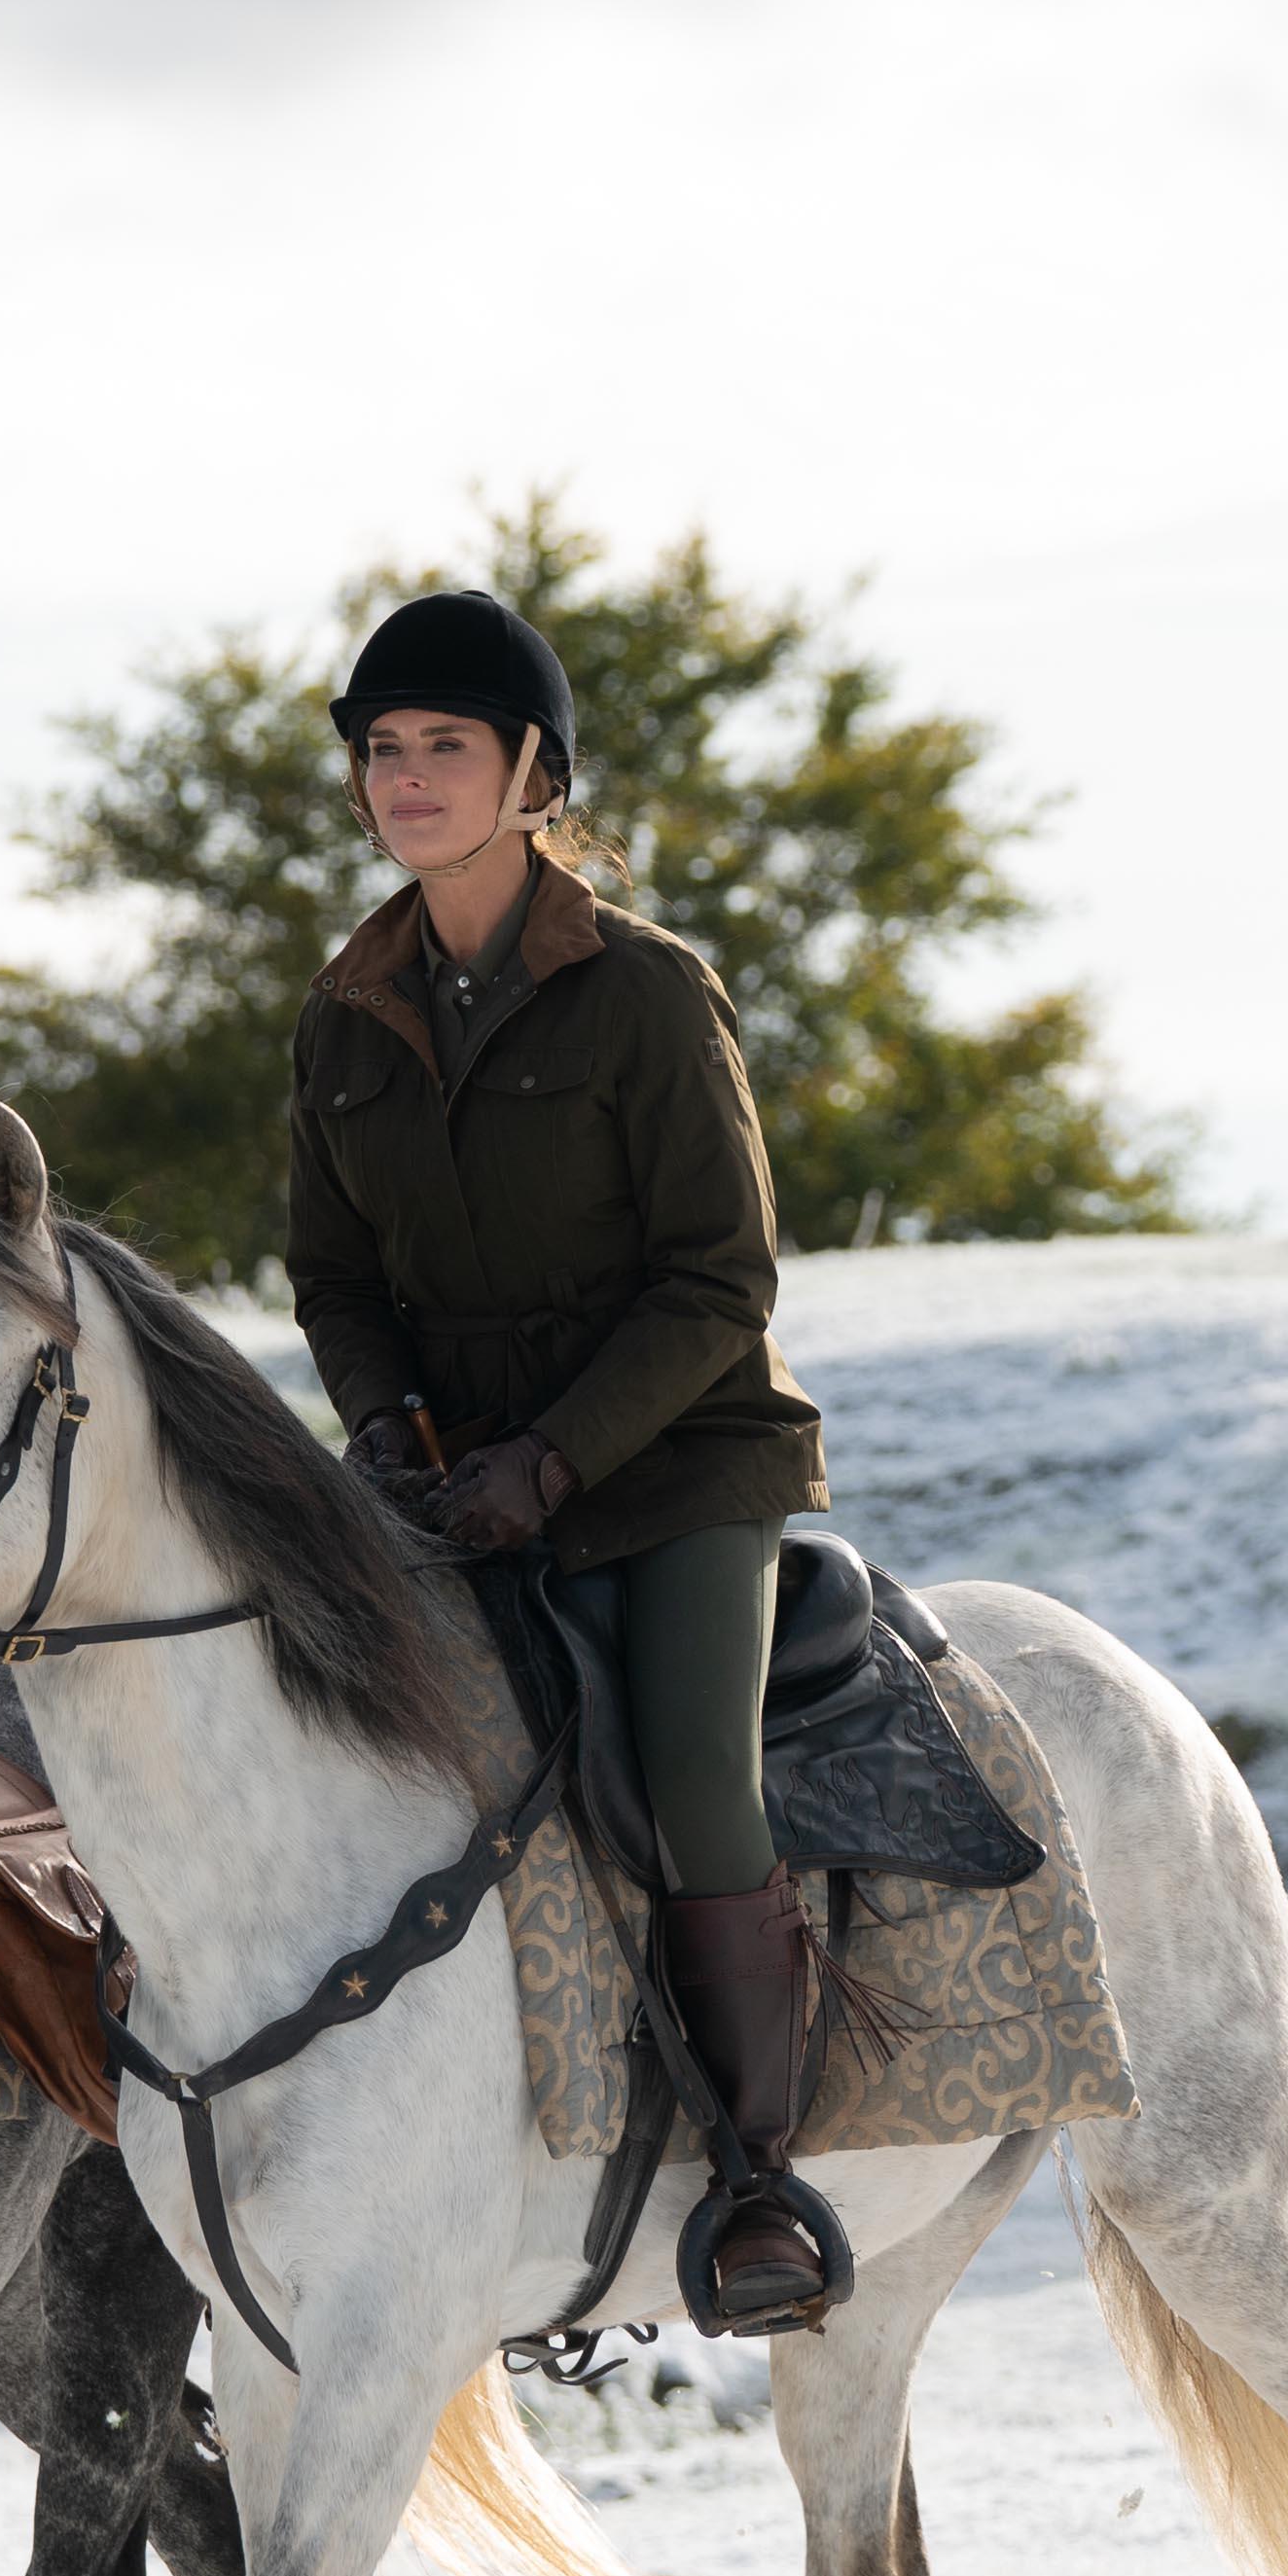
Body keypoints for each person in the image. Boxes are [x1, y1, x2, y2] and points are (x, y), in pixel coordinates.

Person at [280, 589, 841, 2324]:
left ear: (534, 773)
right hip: (447, 1486)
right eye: (385, 750)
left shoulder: (653, 996)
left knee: (689, 1781)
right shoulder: (343, 1012)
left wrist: (556, 1459)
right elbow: (333, 1276)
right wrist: (384, 1429)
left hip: (679, 1477)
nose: (409, 778)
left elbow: (721, 1279)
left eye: (448, 746)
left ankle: (758, 2184)